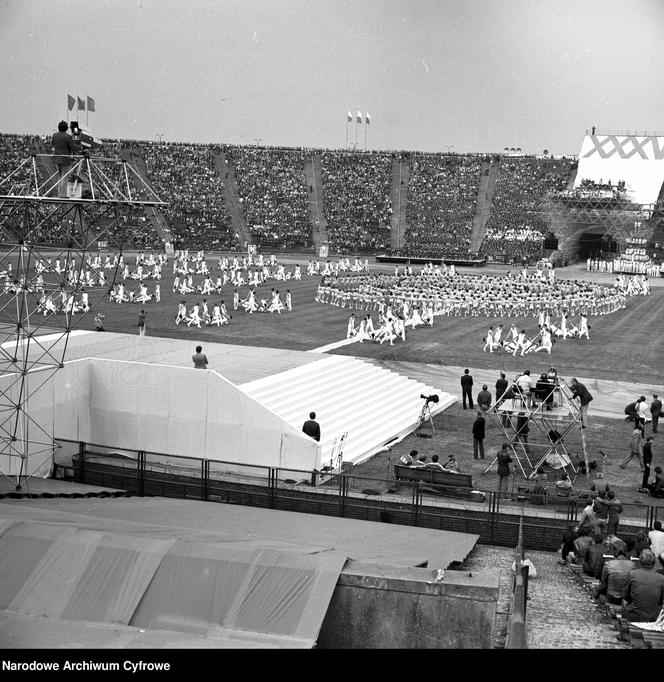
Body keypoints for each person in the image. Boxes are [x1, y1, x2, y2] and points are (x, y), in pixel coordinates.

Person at [622, 549, 664, 623]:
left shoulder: (632, 574)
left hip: (635, 616)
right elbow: (661, 601)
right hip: (653, 617)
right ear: (654, 563)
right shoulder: (661, 578)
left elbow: (626, 598)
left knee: (624, 602)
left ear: (640, 562)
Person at [51, 120, 76, 197]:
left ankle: (60, 193)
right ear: (66, 128)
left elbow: (53, 144)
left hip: (56, 159)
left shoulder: (54, 135)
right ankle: (62, 194)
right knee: (64, 177)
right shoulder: (68, 137)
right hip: (65, 159)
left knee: (60, 176)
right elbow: (73, 147)